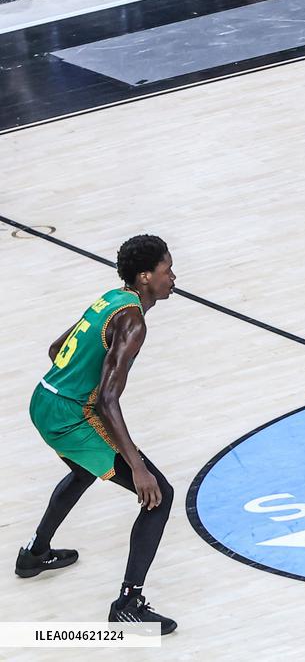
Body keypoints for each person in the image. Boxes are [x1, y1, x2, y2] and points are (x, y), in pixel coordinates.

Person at [16, 235, 178, 634]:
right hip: (69, 416)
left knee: (85, 470)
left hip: (44, 398)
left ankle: (34, 555)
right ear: (145, 277)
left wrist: (76, 384)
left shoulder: (111, 298)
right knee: (159, 493)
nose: (173, 277)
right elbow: (107, 399)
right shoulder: (133, 321)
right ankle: (128, 603)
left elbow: (57, 349)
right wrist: (138, 468)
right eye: (166, 270)